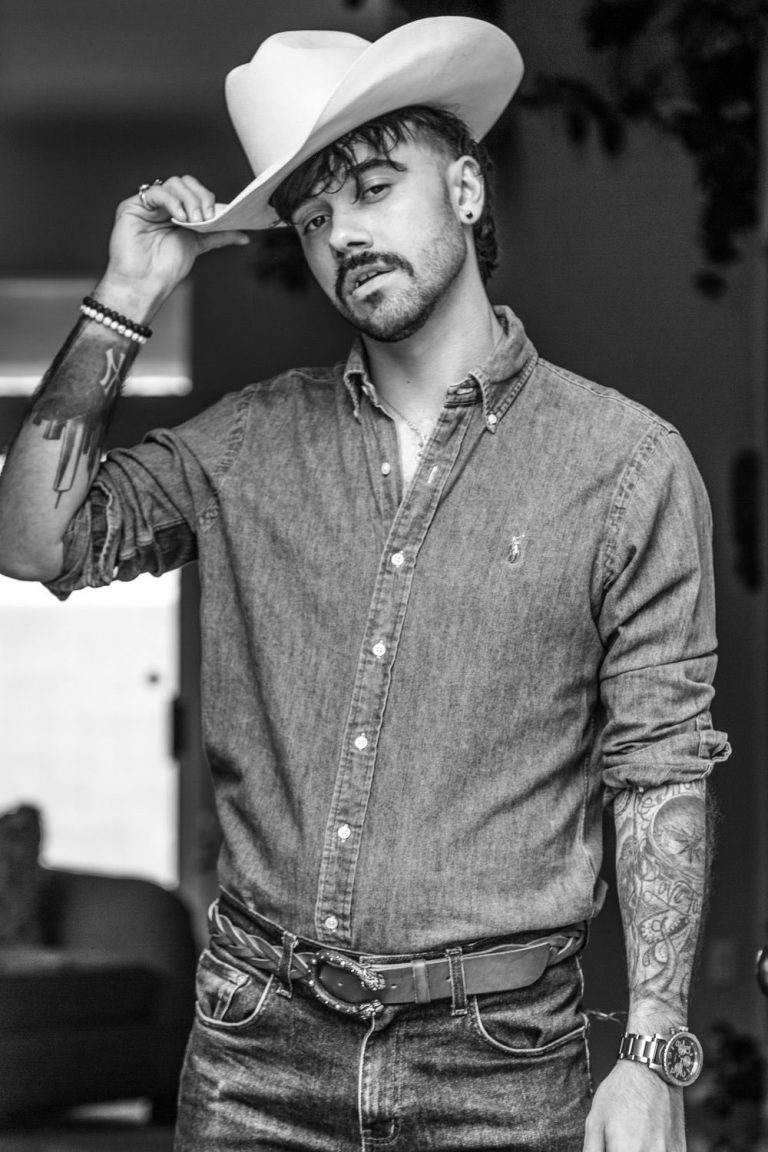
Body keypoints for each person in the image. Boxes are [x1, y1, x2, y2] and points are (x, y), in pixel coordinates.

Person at [0, 16, 731, 1152]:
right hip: (256, 1050)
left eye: (376, 188)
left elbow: (661, 767)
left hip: (501, 1063)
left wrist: (652, 1052)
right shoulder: (244, 445)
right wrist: (127, 291)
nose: (342, 232)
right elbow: (34, 542)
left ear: (468, 191)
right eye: (311, 216)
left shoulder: (627, 466)